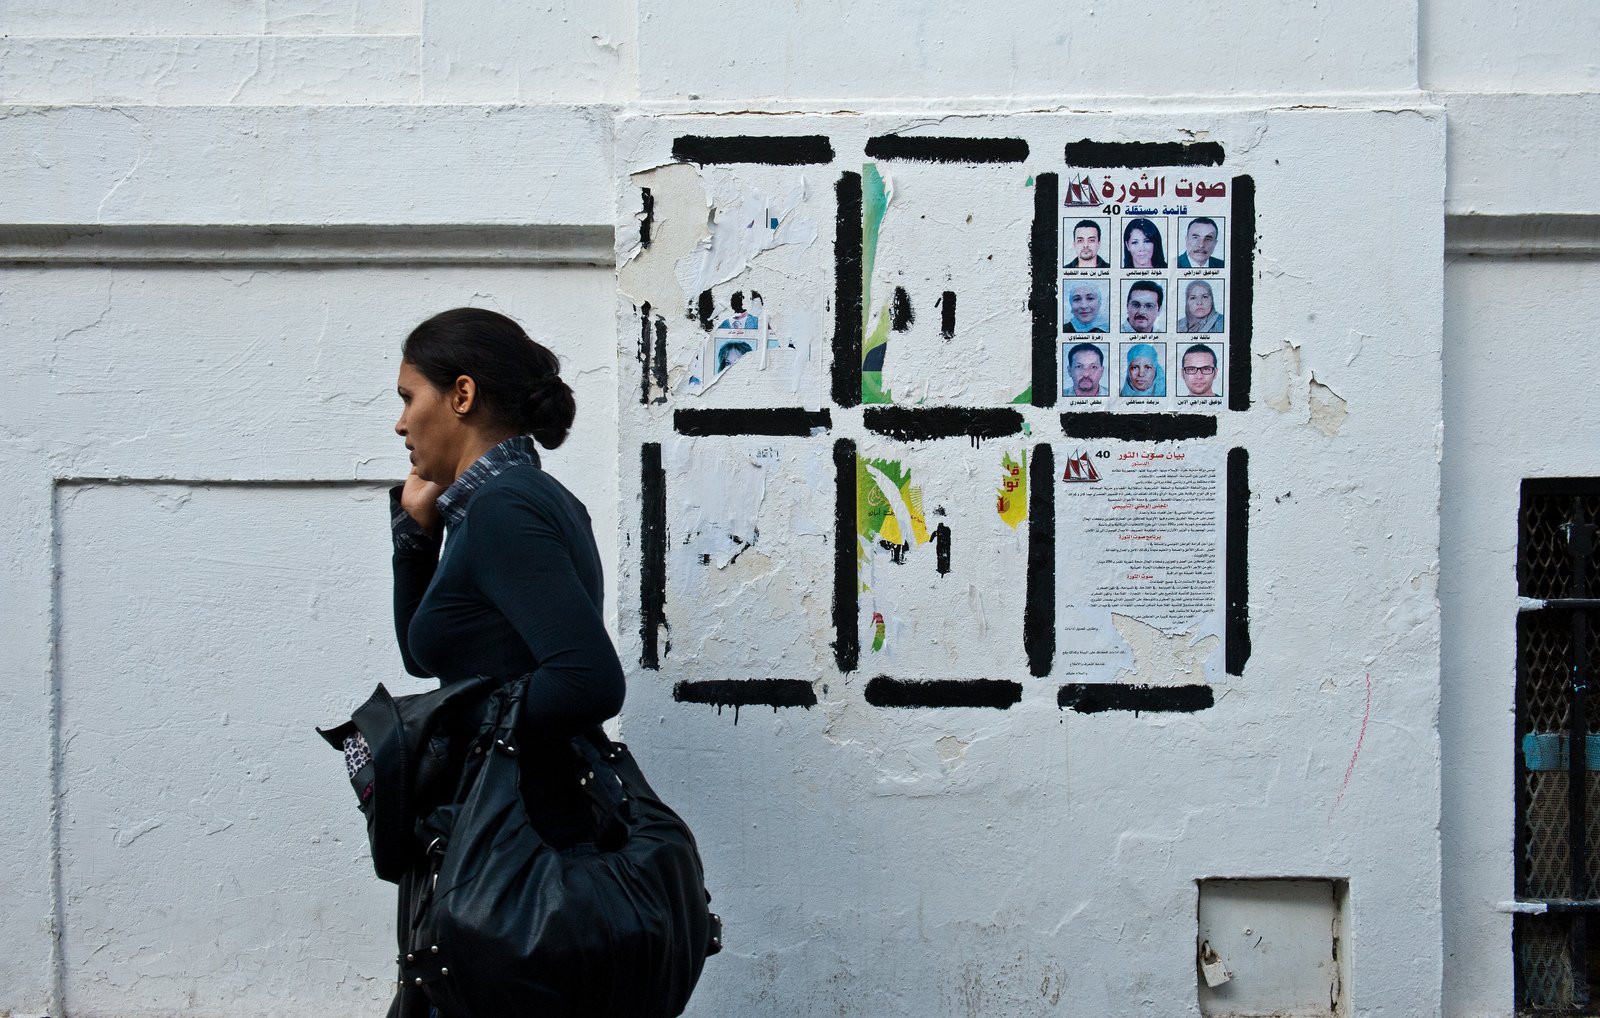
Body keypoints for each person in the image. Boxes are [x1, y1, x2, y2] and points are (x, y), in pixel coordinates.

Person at [388, 307, 625, 1018]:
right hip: (508, 841)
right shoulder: (501, 507)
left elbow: (588, 679)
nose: (400, 424)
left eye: (408, 398)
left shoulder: (505, 510)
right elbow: (425, 653)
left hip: (519, 856)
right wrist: (413, 534)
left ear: (461, 396)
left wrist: (466, 732)